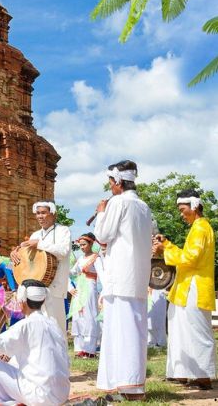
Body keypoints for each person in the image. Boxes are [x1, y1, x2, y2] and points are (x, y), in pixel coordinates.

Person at [94, 160, 153, 400]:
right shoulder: (144, 206)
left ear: (118, 182)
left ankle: (127, 387)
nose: (109, 187)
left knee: (120, 332)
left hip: (120, 276)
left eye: (110, 182)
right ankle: (131, 386)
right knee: (134, 330)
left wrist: (101, 213)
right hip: (137, 277)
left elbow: (102, 235)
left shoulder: (118, 203)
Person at [0, 279, 70, 406]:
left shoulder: (26, 324)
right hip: (61, 393)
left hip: (40, 396)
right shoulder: (53, 324)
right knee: (13, 361)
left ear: (22, 301)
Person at [153, 189, 216, 390]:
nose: (181, 214)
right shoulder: (197, 228)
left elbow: (190, 259)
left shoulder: (201, 228)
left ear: (194, 206)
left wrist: (166, 248)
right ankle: (181, 374)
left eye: (183, 210)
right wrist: (168, 245)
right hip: (185, 287)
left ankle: (203, 376)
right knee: (179, 329)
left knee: (197, 332)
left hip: (195, 287)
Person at [11, 202, 71, 333]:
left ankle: (58, 354)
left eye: (44, 213)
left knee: (56, 328)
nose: (40, 216)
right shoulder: (35, 234)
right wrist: (16, 254)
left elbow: (63, 251)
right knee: (35, 328)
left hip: (55, 287)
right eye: (38, 213)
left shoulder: (63, 231)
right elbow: (27, 259)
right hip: (34, 290)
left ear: (53, 214)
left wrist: (39, 244)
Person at [69, 232, 104, 358]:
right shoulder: (80, 259)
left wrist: (104, 292)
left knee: (89, 315)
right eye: (80, 245)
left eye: (84, 244)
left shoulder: (96, 258)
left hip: (90, 286)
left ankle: (90, 349)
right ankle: (79, 348)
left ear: (91, 244)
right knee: (78, 316)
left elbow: (102, 276)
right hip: (79, 288)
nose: (82, 247)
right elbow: (72, 272)